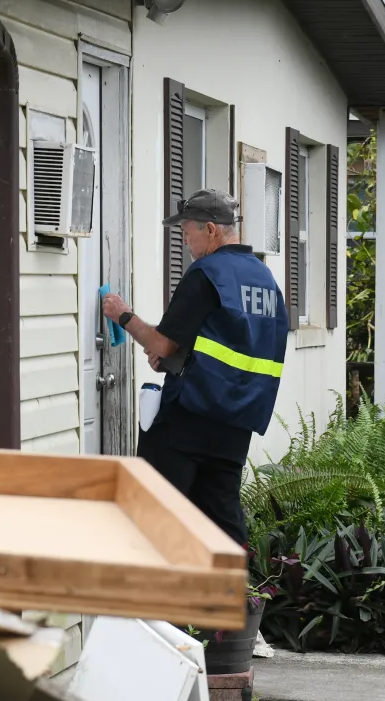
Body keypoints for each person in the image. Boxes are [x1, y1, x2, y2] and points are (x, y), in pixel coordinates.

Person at [101, 189, 287, 547]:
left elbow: (161, 343)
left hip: (191, 415)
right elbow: (233, 341)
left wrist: (122, 315)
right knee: (222, 518)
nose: (186, 242)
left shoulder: (207, 272)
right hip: (238, 420)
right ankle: (235, 597)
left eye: (188, 233)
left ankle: (153, 597)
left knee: (153, 511)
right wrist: (178, 358)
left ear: (212, 230)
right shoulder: (265, 280)